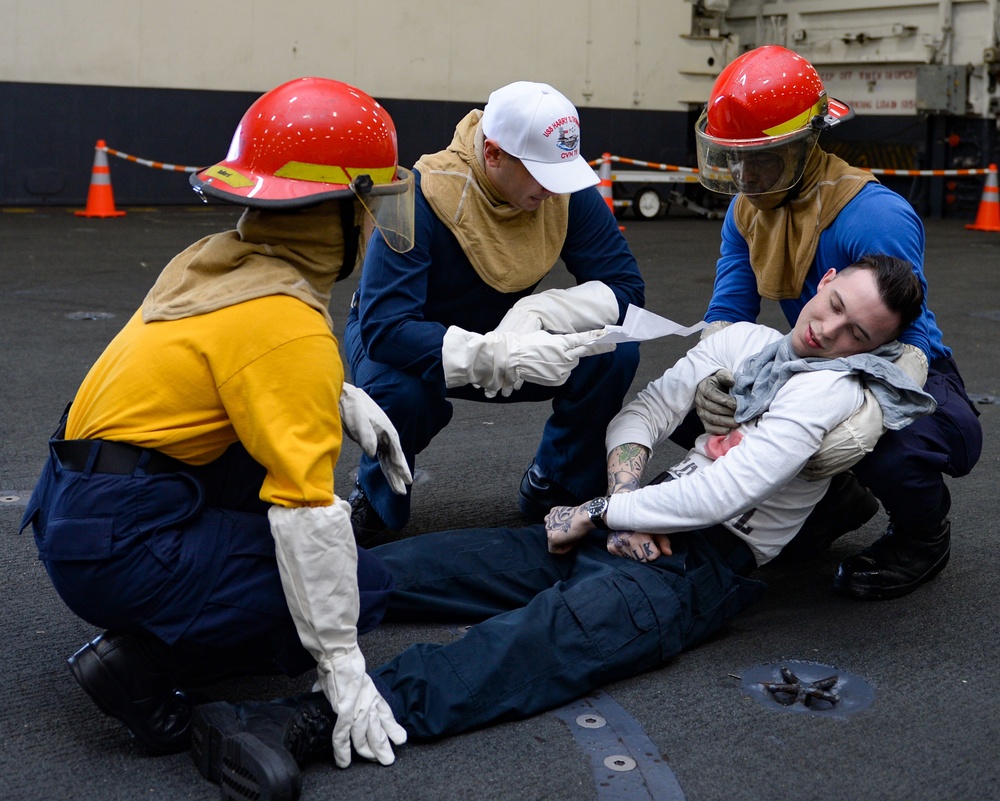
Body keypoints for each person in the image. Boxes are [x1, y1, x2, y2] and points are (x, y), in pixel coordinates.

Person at [187, 255, 934, 801]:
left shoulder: (831, 392)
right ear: (826, 277)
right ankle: (189, 636)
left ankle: (300, 719)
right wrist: (618, 496)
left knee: (523, 649)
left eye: (853, 331)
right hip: (631, 513)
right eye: (834, 302)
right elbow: (642, 414)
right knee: (422, 565)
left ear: (868, 348)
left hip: (695, 570)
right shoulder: (742, 342)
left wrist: (601, 512)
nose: (829, 327)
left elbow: (727, 491)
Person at [19, 78, 416, 769]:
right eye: (366, 204)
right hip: (121, 537)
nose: (373, 221)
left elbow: (218, 369)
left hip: (79, 503)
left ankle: (174, 611)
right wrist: (343, 669)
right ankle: (138, 662)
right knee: (362, 582)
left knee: (263, 491)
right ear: (337, 214)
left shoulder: (215, 263)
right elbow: (306, 517)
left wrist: (335, 394)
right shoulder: (286, 323)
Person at [689, 45, 982, 599]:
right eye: (736, 157)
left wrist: (869, 416)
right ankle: (837, 499)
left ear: (807, 145)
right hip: (814, 355)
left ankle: (923, 535)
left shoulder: (873, 215)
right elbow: (729, 310)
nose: (747, 176)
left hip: (900, 362)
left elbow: (911, 338)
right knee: (701, 406)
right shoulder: (748, 206)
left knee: (899, 445)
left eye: (764, 157)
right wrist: (710, 379)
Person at [344, 80, 645, 546]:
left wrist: (539, 309)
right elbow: (386, 327)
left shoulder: (560, 187)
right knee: (401, 396)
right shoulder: (411, 196)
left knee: (612, 355)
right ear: (494, 153)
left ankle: (556, 480)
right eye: (540, 171)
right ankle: (379, 498)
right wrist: (488, 355)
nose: (552, 188)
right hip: (407, 343)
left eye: (560, 171)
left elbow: (627, 291)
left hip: (511, 333)